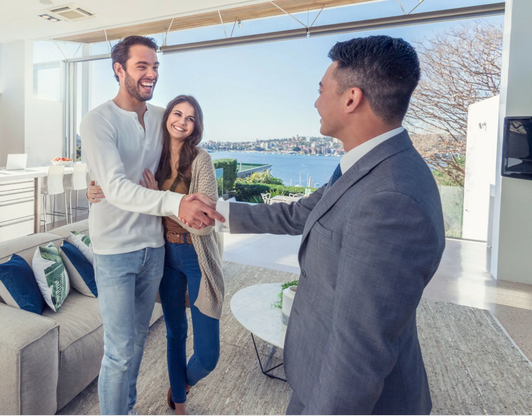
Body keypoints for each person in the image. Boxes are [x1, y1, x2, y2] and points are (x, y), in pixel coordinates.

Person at [195, 35, 446, 415]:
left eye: (321, 89)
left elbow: (360, 349)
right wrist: (220, 212)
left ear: (351, 98)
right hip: (315, 373)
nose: (315, 101)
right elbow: (301, 213)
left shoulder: (391, 201)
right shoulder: (367, 165)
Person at [80, 36, 223, 416]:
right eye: (142, 66)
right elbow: (115, 185)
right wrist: (97, 185)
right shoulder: (98, 120)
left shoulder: (162, 117)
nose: (151, 74)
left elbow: (183, 156)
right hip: (114, 250)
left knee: (139, 342)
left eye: (155, 66)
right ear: (119, 70)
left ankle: (126, 407)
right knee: (119, 351)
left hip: (154, 247)